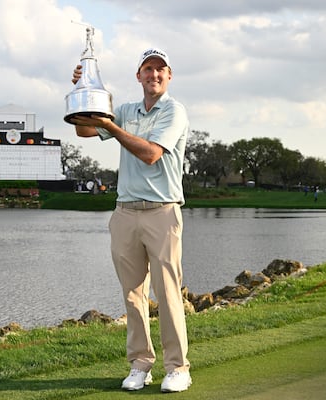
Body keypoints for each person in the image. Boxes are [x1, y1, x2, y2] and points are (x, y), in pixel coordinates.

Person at [69, 47, 191, 393]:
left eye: (160, 70)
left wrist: (110, 125)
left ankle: (177, 367)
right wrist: (83, 93)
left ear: (168, 77)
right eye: (147, 69)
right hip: (125, 212)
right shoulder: (124, 111)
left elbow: (151, 154)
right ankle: (140, 363)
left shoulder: (174, 111)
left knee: (167, 293)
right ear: (138, 76)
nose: (154, 75)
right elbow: (84, 132)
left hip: (162, 212)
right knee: (133, 295)